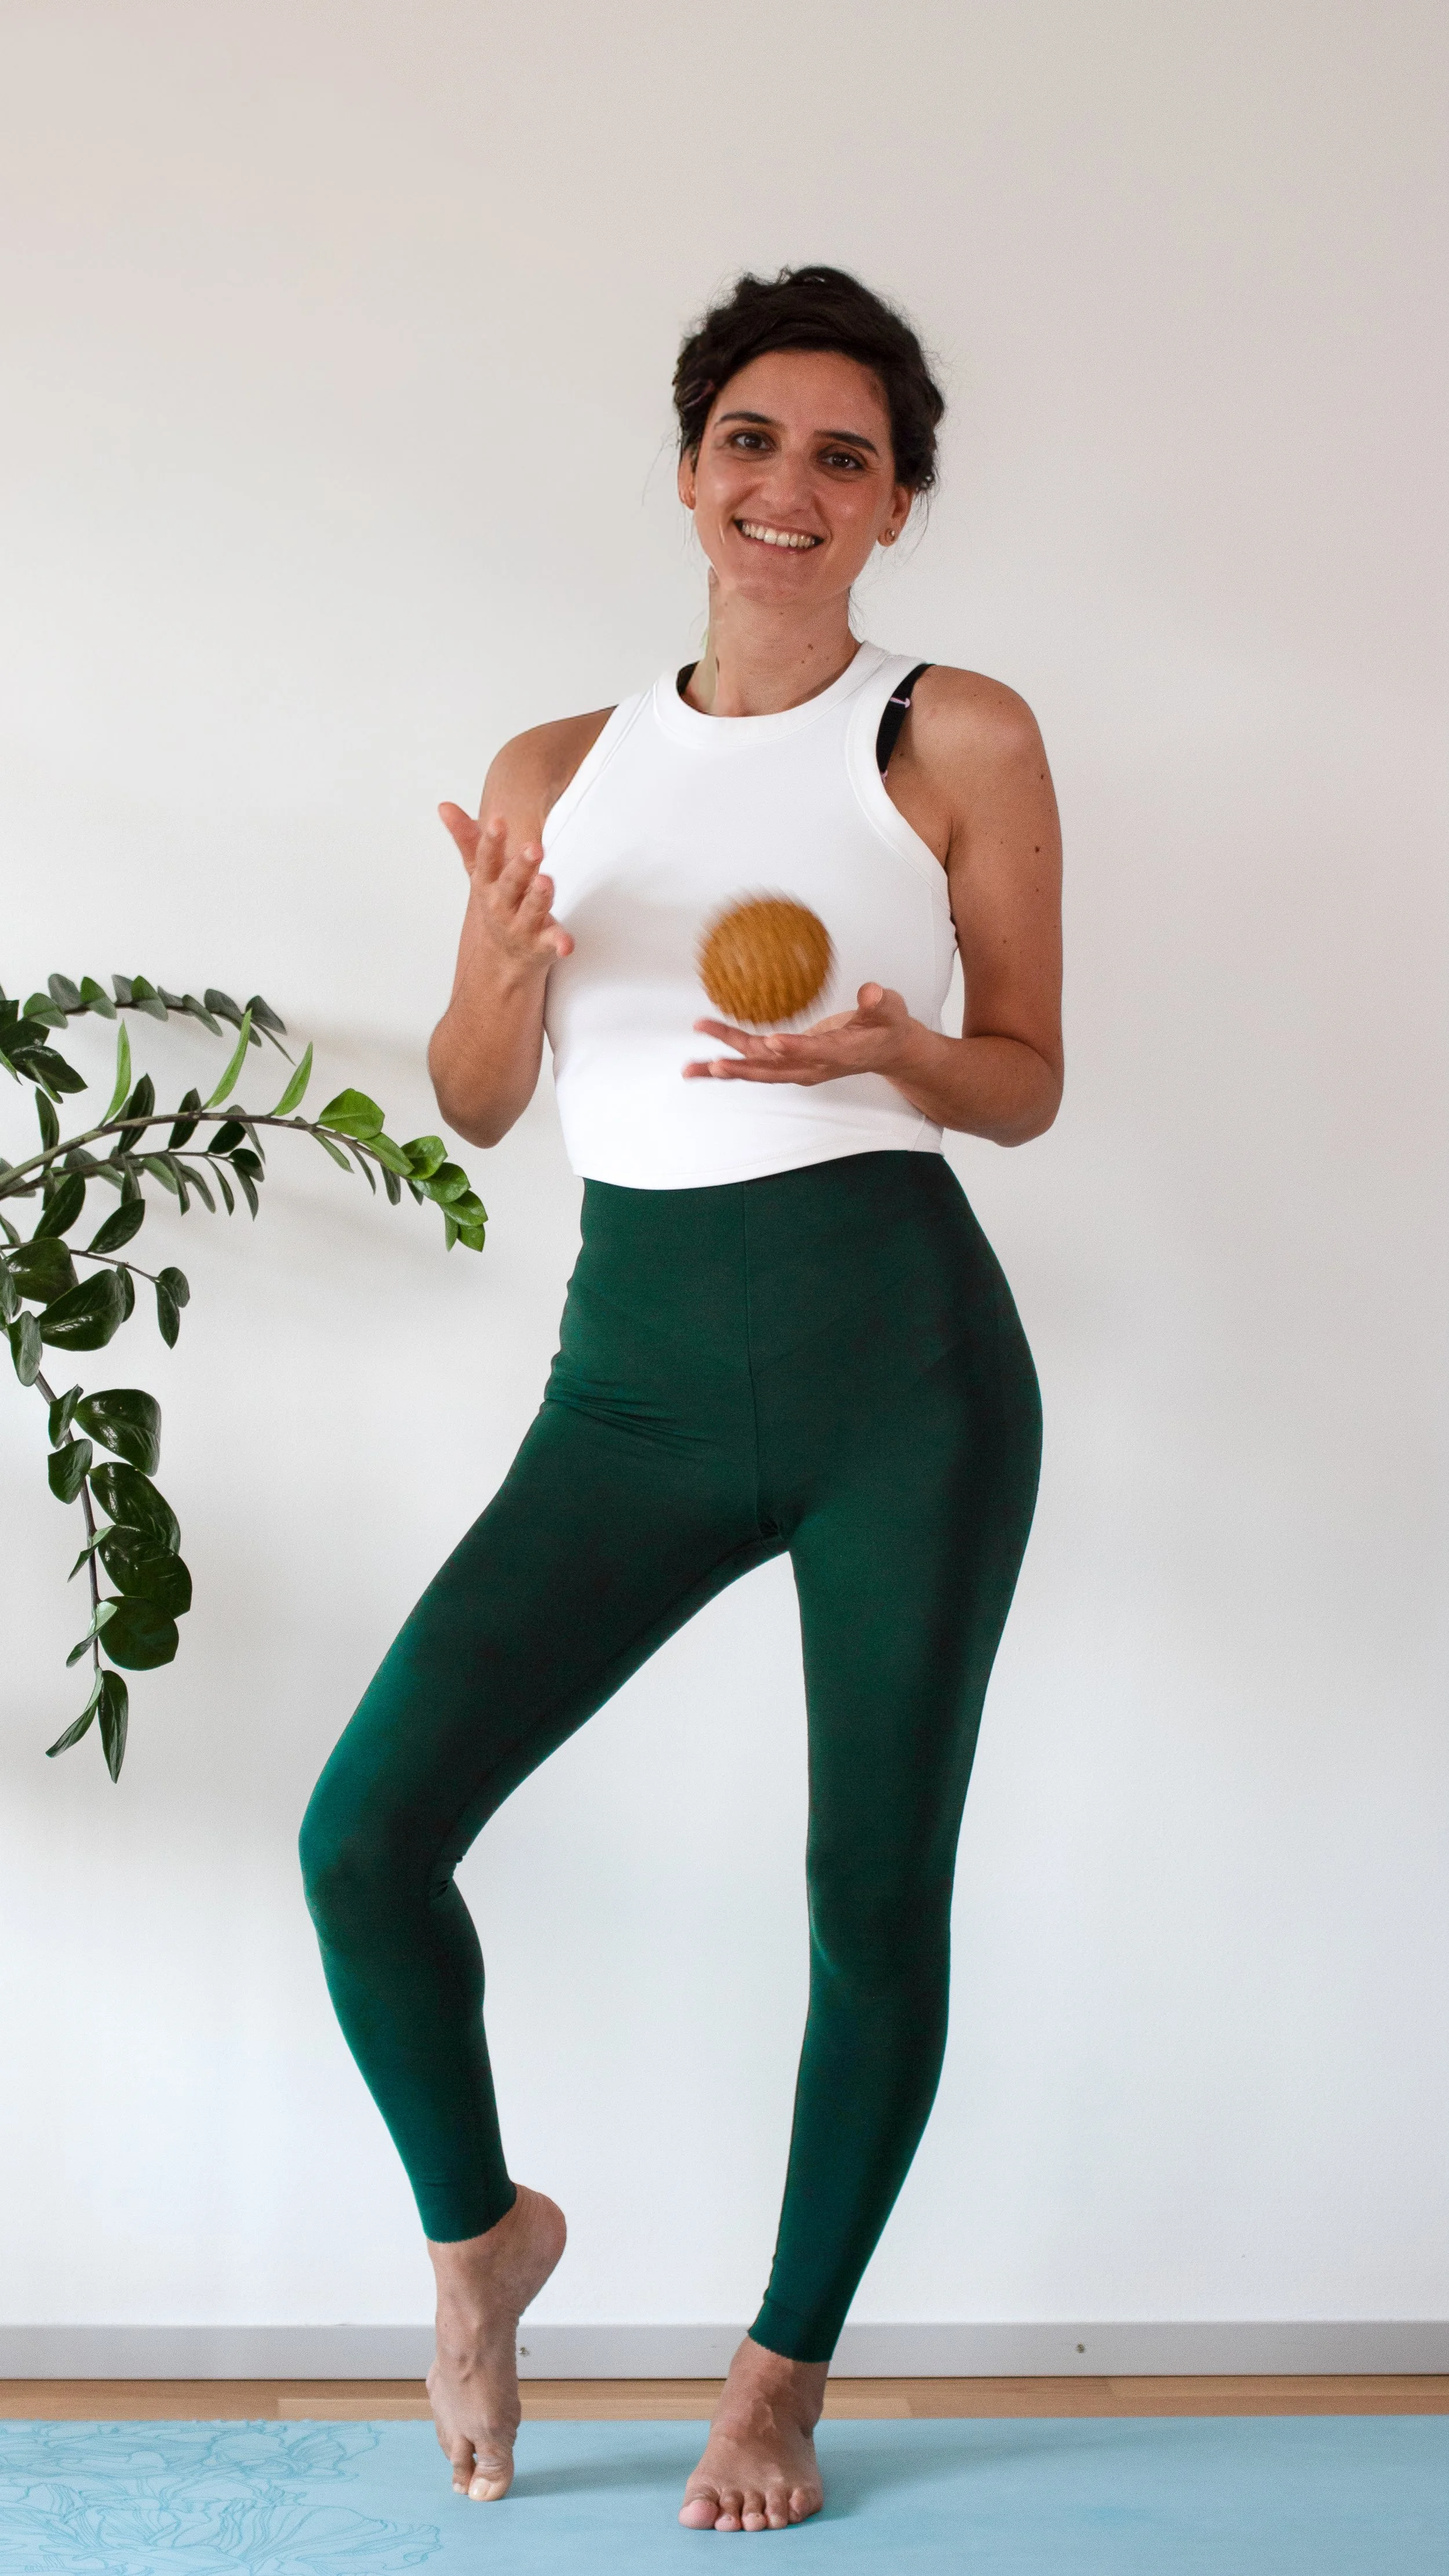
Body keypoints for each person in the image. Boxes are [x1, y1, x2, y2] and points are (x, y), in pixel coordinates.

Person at [300, 264, 1063, 2536]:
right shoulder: (561, 771)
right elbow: (465, 1100)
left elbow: (1022, 1078)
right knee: (364, 1836)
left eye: (842, 453)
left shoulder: (956, 736)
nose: (788, 488)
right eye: (752, 439)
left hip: (900, 1373)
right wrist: (508, 968)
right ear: (687, 469)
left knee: (868, 1890)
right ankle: (481, 2239)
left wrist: (894, 1050)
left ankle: (779, 2376)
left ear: (896, 499)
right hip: (629, 1387)